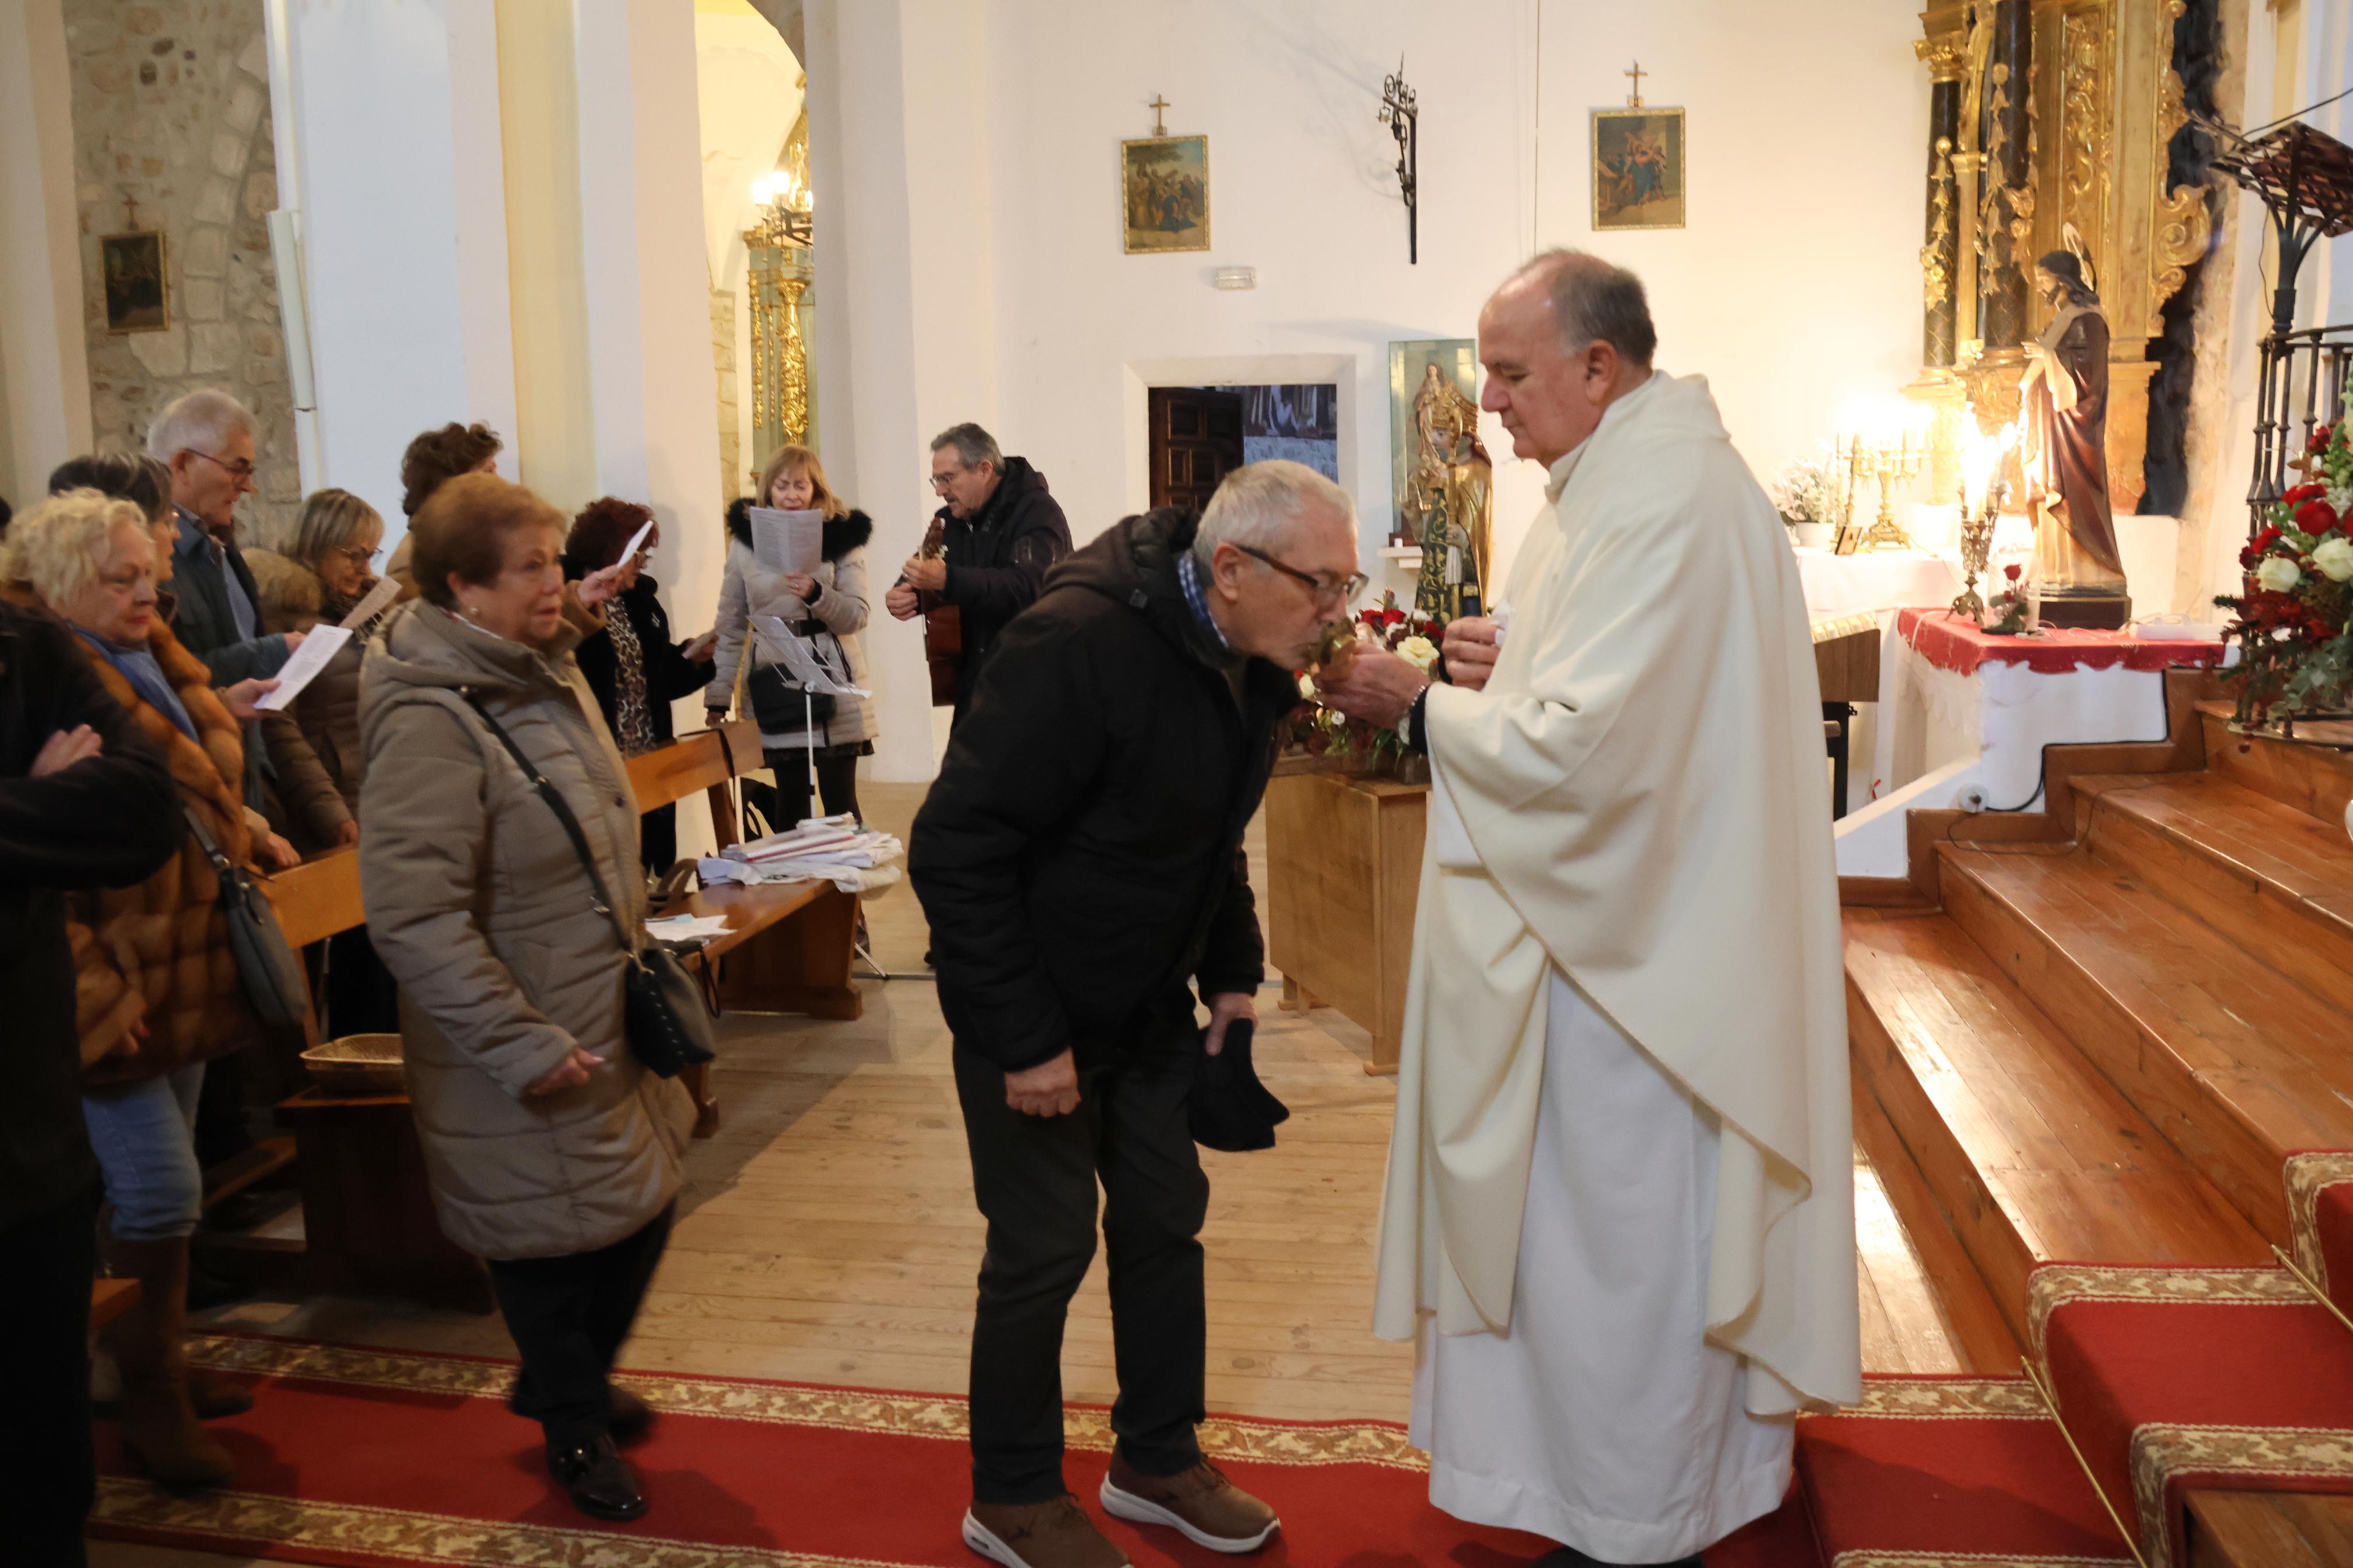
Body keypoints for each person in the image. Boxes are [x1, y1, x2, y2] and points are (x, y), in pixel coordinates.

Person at [1314, 251, 1859, 1567]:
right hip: (1620, 941)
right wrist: (1497, 667)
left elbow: (1593, 760)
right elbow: (1604, 692)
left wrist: (1422, 707)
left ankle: (1631, 1509)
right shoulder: (1611, 483)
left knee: (1612, 1251)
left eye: (1509, 373)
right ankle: (1597, 1486)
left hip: (1629, 975)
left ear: (1598, 367)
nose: (1488, 404)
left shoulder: (1661, 498)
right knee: (1590, 1253)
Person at [911, 461, 1360, 1568]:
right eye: (1322, 585)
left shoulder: (1246, 652)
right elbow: (956, 849)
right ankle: (1012, 1493)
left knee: (1164, 1219)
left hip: (1147, 1004)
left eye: (1345, 586)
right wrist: (1027, 1041)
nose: (1337, 613)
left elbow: (1208, 835)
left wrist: (1234, 974)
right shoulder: (1074, 641)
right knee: (1043, 1245)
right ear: (1231, 568)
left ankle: (1155, 1457)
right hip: (1033, 1008)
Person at [358, 473, 693, 1524]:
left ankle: (561, 1379)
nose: (556, 583)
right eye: (531, 568)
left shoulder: (537, 668)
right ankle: (574, 1425)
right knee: (547, 1238)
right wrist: (513, 1038)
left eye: (555, 561)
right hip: (513, 1026)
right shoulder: (430, 716)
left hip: (597, 1000)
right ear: (463, 588)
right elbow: (413, 914)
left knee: (640, 1206)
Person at [1, 488, 293, 1491]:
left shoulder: (145, 656)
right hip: (110, 977)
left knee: (162, 1184)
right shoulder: (48, 671)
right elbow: (45, 874)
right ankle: (150, 1393)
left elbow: (163, 797)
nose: (145, 592)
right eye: (119, 578)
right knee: (158, 1186)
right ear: (61, 582)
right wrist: (92, 997)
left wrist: (247, 823)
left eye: (148, 574)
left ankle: (136, 1359)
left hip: (181, 960)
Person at [0, 593, 180, 1566]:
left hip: (25, 1139)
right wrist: (38, 809)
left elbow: (143, 811)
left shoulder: (23, 649)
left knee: (41, 1467)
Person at [247, 487, 402, 1032]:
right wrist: (328, 810)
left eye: (371, 553)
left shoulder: (367, 614)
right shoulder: (287, 617)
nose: (364, 568)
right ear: (316, 544)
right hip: (331, 806)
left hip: (379, 796)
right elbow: (278, 724)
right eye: (352, 554)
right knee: (339, 965)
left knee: (382, 957)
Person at [705, 446, 876, 829]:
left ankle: (847, 871)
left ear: (817, 489)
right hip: (775, 677)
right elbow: (730, 624)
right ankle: (795, 870)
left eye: (801, 486)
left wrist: (817, 594)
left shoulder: (841, 536)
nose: (791, 495)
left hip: (832, 676)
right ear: (768, 489)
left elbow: (857, 615)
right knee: (792, 804)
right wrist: (718, 695)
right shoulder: (746, 542)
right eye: (782, 486)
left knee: (841, 803)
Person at [561, 496, 716, 872]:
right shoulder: (566, 597)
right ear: (614, 552)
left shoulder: (642, 601)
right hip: (599, 762)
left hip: (648, 755)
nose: (644, 564)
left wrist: (693, 659)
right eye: (639, 555)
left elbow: (656, 682)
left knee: (648, 865)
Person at [885, 423, 1070, 723]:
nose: (940, 491)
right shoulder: (948, 521)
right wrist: (906, 594)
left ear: (984, 469)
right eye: (936, 480)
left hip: (1032, 683)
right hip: (973, 685)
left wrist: (948, 580)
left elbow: (1029, 588)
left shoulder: (1037, 513)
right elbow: (925, 568)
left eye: (948, 478)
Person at [382, 421, 505, 598]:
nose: (501, 482)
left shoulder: (466, 542)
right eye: (488, 471)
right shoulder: (411, 563)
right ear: (451, 482)